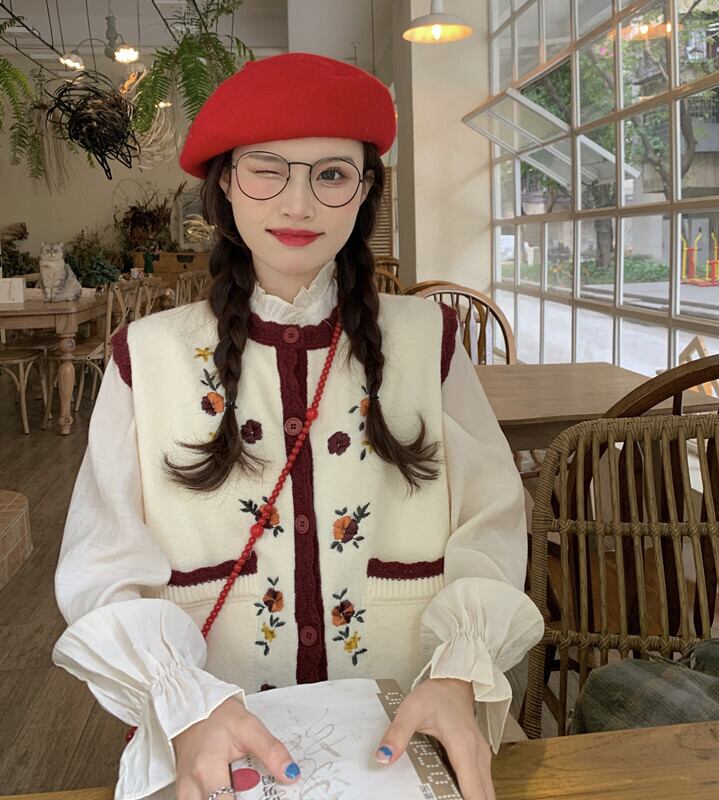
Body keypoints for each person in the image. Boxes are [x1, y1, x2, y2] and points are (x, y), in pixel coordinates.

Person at [52, 53, 543, 800]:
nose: (299, 204)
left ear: (365, 189)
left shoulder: (429, 341)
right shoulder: (143, 358)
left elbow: (493, 523)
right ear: (225, 182)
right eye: (266, 171)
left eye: (331, 175)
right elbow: (102, 568)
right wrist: (184, 705)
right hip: (218, 755)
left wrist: (457, 675)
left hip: (410, 736)